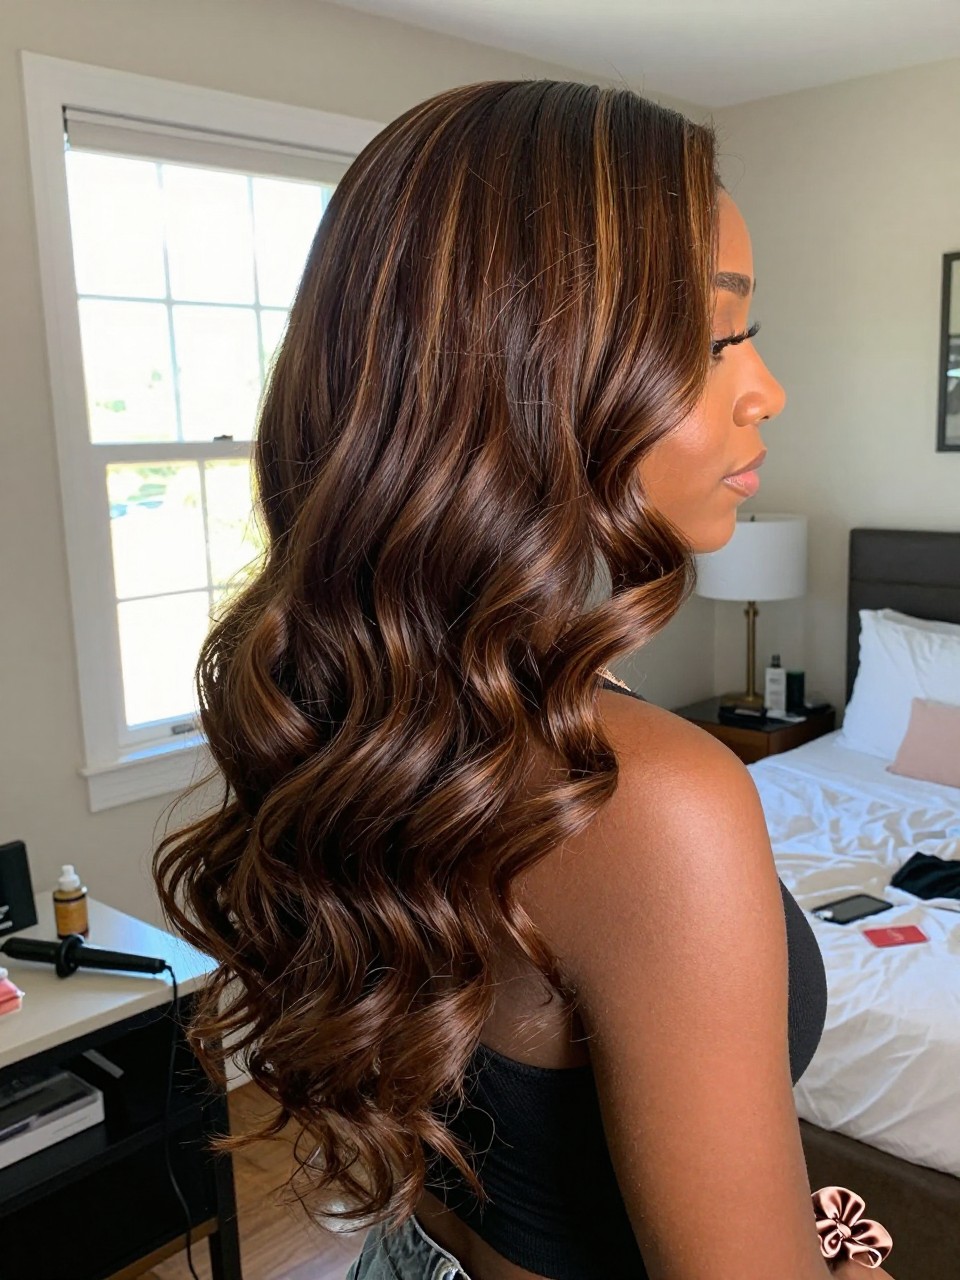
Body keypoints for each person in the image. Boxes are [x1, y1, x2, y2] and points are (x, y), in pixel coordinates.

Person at [153, 80, 894, 1280]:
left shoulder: (390, 711)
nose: (767, 388)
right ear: (530, 372)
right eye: (714, 338)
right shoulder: (653, 797)